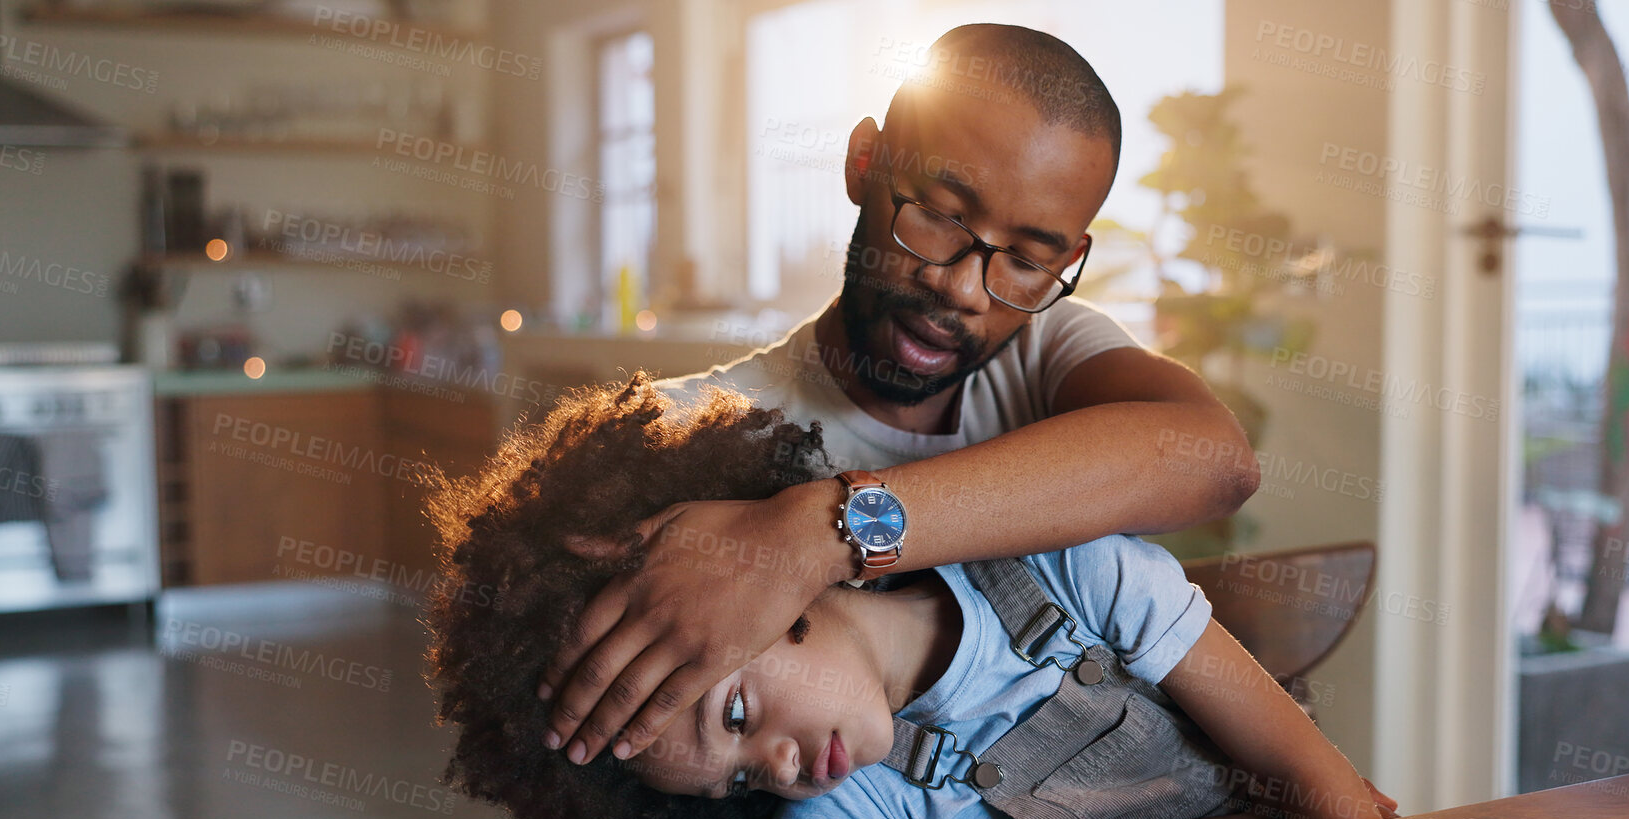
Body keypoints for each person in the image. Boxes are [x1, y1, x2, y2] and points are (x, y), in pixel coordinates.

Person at [538, 23, 1262, 769]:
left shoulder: (1049, 352)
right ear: (863, 163)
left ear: (1069, 259)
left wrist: (818, 533)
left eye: (1022, 258)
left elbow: (1218, 462)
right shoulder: (703, 431)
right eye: (940, 216)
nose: (959, 286)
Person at [426, 376, 1392, 819]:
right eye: (739, 787)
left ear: (757, 584)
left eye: (736, 714)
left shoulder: (1079, 576)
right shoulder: (843, 815)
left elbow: (1330, 800)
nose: (780, 772)